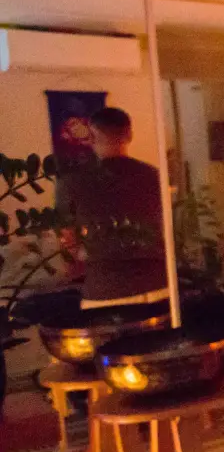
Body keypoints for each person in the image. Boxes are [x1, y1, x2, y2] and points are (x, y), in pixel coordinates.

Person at [55, 107, 167, 309]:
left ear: (91, 137)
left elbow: (67, 239)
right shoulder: (154, 176)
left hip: (104, 290)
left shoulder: (71, 182)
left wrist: (73, 269)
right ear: (129, 135)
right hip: (156, 285)